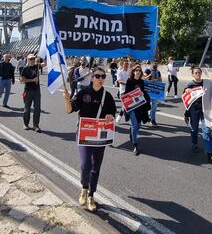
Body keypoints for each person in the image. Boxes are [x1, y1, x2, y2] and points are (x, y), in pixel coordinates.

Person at [63, 67, 116, 212]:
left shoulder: (108, 96)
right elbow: (70, 110)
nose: (100, 78)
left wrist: (110, 116)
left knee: (95, 167)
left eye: (103, 76)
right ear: (92, 77)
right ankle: (84, 188)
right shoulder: (84, 92)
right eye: (97, 76)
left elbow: (112, 112)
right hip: (84, 135)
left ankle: (91, 195)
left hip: (100, 138)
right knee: (85, 164)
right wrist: (67, 100)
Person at [183, 65, 212, 163]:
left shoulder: (207, 83)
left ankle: (210, 154)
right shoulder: (190, 83)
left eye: (199, 72)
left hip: (206, 111)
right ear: (193, 74)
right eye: (196, 73)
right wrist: (187, 91)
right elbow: (185, 94)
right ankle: (194, 143)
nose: (198, 74)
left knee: (206, 131)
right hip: (194, 110)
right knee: (194, 129)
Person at [124, 65, 151, 155]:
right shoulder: (130, 81)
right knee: (135, 126)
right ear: (133, 71)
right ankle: (135, 145)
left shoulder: (142, 82)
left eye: (140, 70)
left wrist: (143, 93)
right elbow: (126, 94)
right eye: (136, 70)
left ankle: (132, 131)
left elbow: (143, 92)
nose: (138, 71)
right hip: (132, 107)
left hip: (141, 106)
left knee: (138, 126)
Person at [21, 54, 42, 132]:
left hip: (37, 90)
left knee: (37, 108)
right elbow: (22, 80)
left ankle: (35, 125)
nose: (32, 60)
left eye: (33, 59)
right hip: (28, 90)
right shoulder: (25, 69)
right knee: (27, 108)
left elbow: (45, 64)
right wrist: (32, 80)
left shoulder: (37, 66)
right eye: (30, 59)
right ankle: (26, 124)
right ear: (28, 60)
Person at [144, 61, 162, 127]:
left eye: (157, 63)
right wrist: (149, 76)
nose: (155, 64)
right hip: (148, 91)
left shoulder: (158, 72)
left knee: (154, 106)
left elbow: (160, 80)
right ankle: (147, 117)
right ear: (151, 63)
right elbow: (144, 78)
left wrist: (157, 80)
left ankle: (153, 120)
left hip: (155, 91)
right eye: (154, 63)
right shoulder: (147, 70)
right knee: (148, 105)